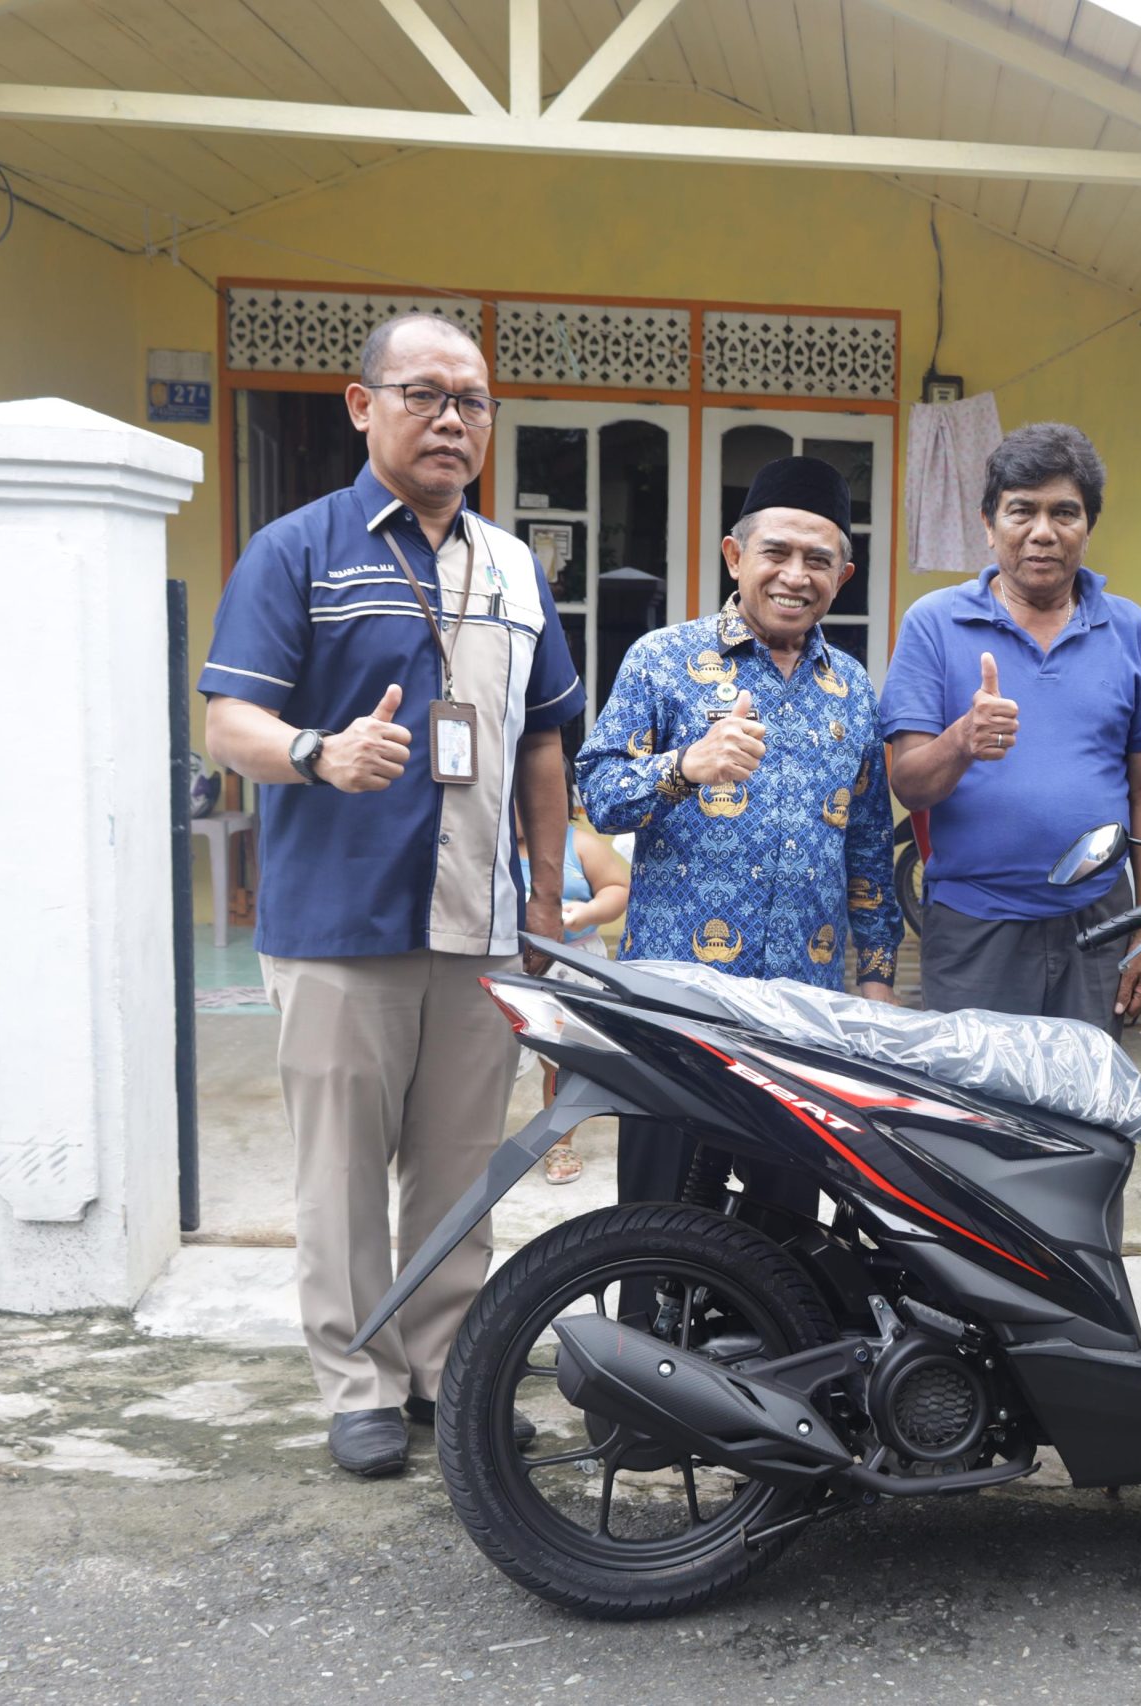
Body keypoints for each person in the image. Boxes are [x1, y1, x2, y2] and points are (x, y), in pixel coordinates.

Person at [199, 311, 583, 1477]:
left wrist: (547, 903)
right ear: (363, 405)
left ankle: (443, 1370)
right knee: (341, 1174)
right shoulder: (297, 551)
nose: (452, 419)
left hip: (481, 924)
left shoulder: (513, 567)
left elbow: (544, 742)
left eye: (472, 400)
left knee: (460, 1171)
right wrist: (316, 750)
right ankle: (358, 1380)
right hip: (339, 925)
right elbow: (229, 721)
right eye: (424, 394)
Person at [578, 455, 904, 1214]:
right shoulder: (662, 661)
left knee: (785, 1232)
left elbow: (866, 845)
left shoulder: (853, 689)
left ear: (843, 576)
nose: (795, 575)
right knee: (658, 1223)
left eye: (817, 560)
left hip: (800, 1014)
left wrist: (877, 983)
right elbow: (598, 796)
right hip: (676, 1007)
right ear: (734, 556)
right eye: (776, 552)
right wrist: (685, 766)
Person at [878, 422, 1141, 1030]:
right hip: (974, 926)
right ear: (989, 525)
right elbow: (908, 785)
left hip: (1099, 921)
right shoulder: (933, 624)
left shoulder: (1131, 630)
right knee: (976, 1091)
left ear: (1088, 528)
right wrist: (962, 741)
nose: (1043, 531)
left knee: (1086, 1088)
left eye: (1064, 512)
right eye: (1021, 510)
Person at [538, 809, 631, 1185]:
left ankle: (559, 1140)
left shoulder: (578, 845)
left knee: (562, 1062)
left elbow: (617, 888)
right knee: (489, 1061)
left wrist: (590, 911)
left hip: (570, 966)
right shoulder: (488, 838)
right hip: (502, 963)